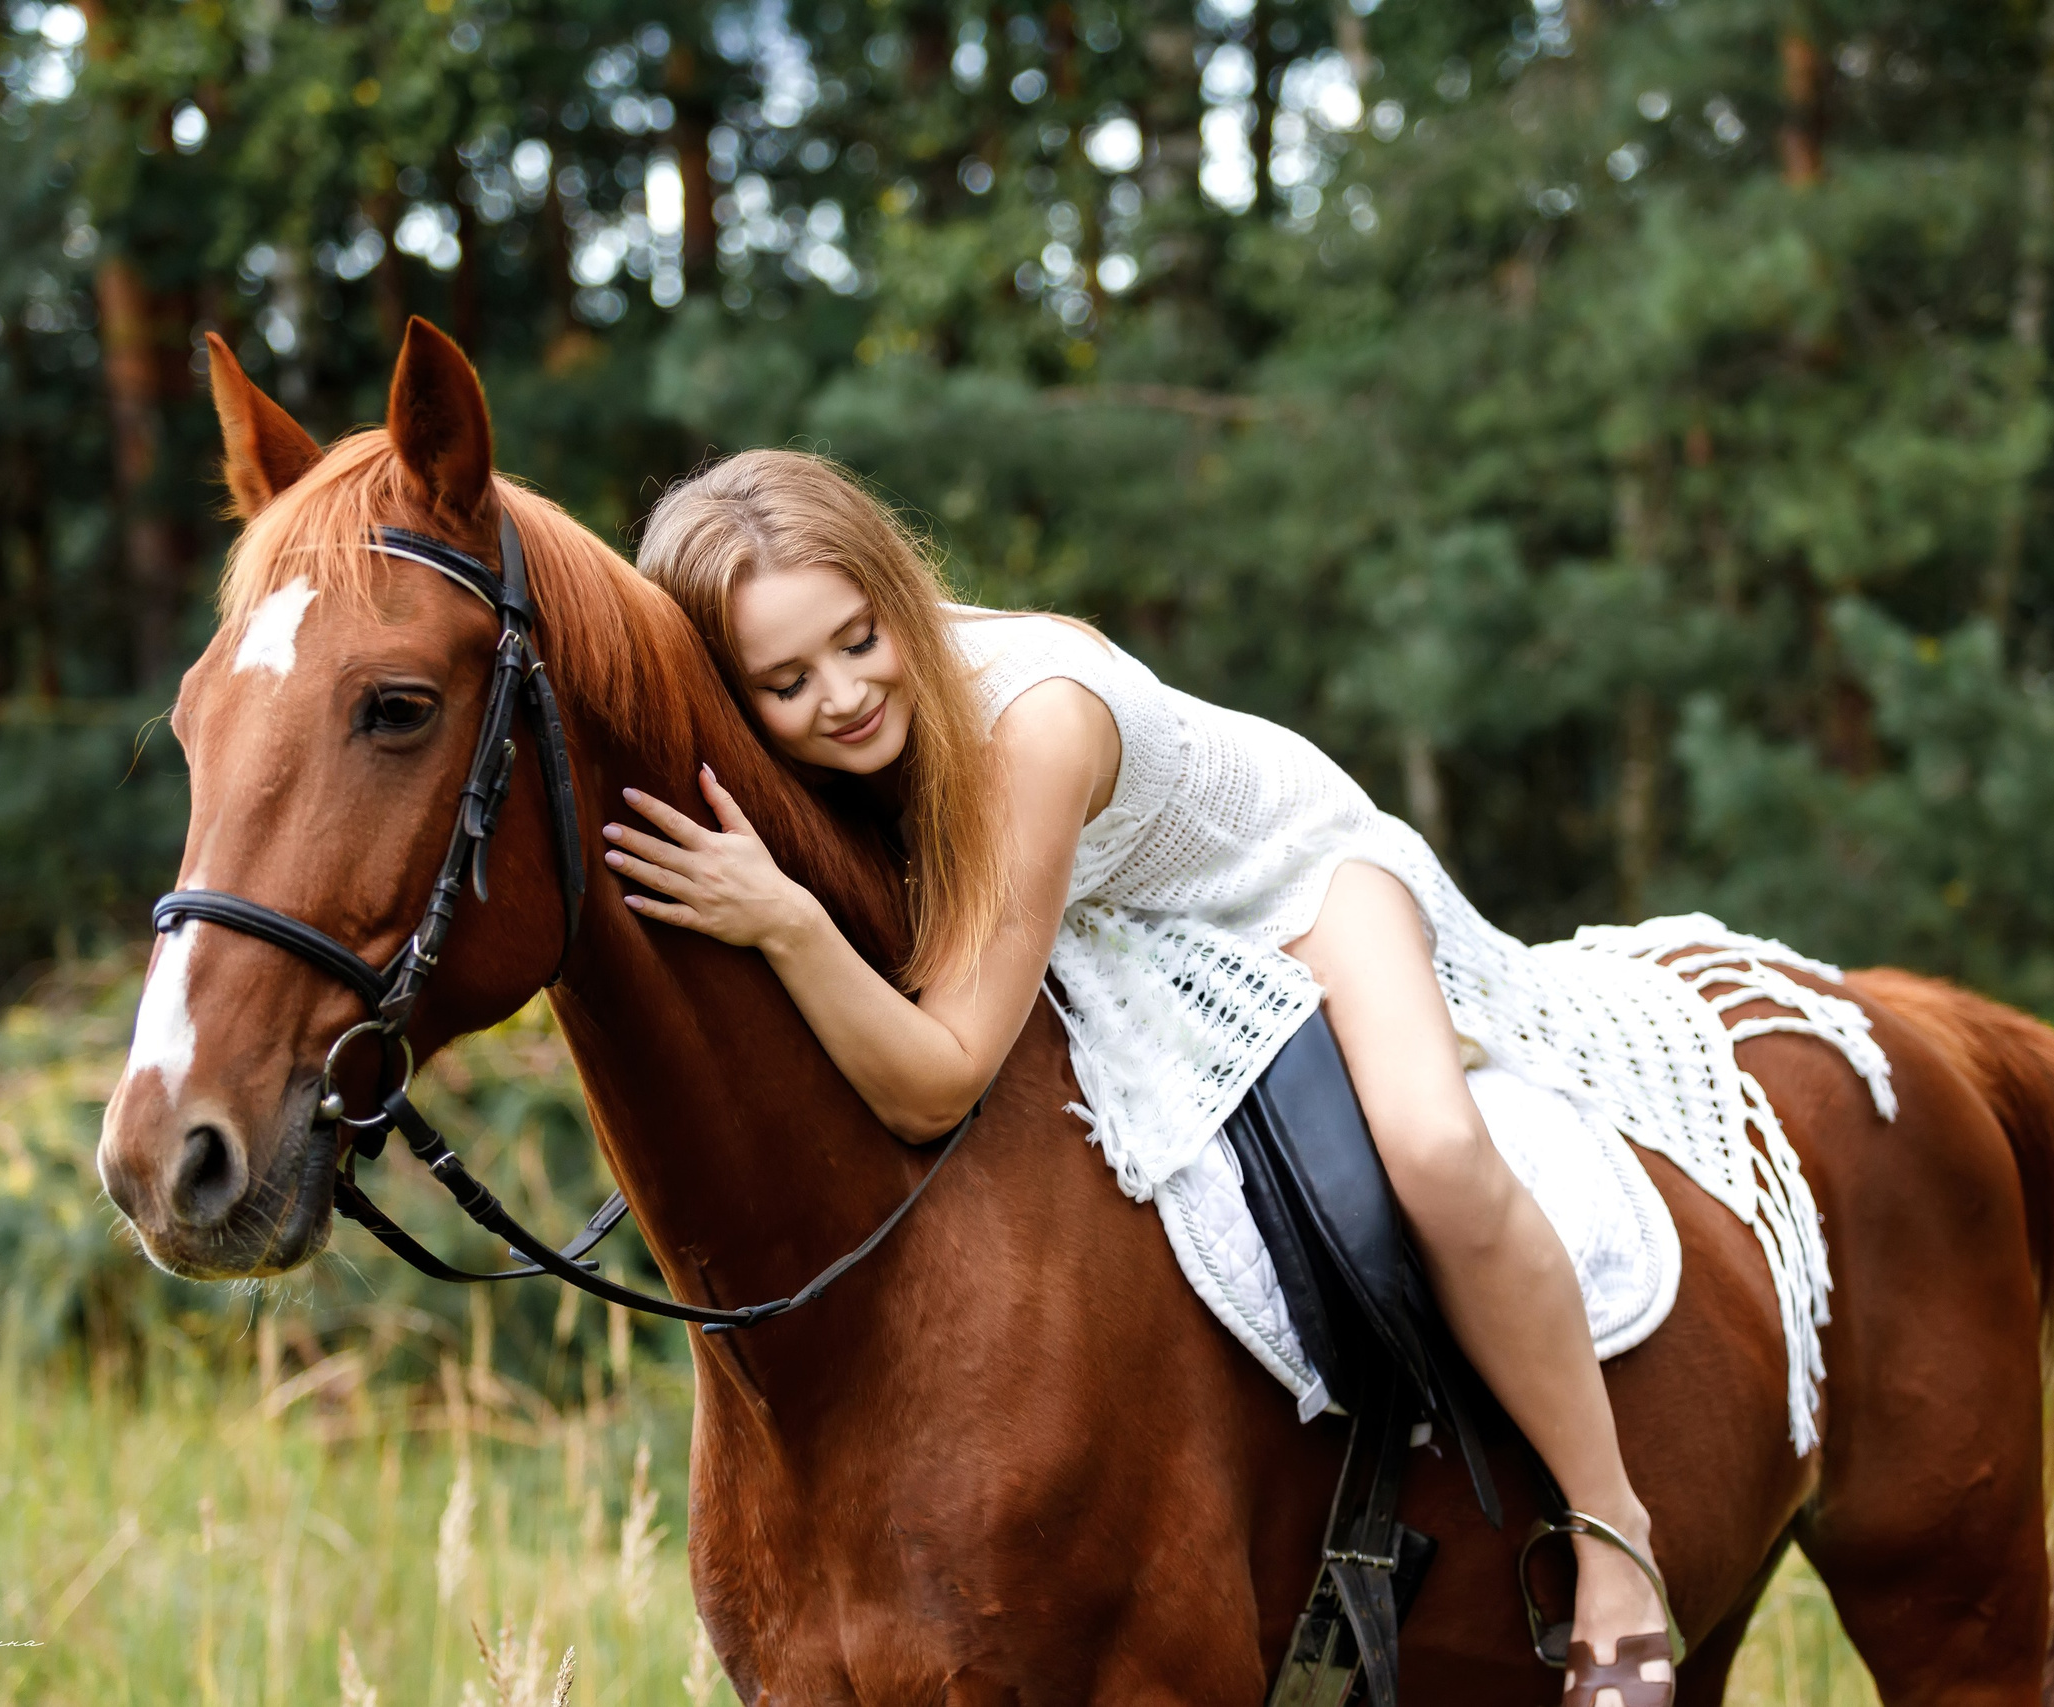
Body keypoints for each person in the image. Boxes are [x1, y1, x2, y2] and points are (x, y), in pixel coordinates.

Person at [608, 448, 1677, 1703]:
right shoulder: (813, 731)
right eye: (783, 683)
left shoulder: (1031, 723)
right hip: (1096, 918)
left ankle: (1613, 1538)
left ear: (897, 594)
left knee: (1434, 1150)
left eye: (860, 640)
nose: (841, 697)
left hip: (1283, 888)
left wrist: (785, 925)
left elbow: (933, 1083)